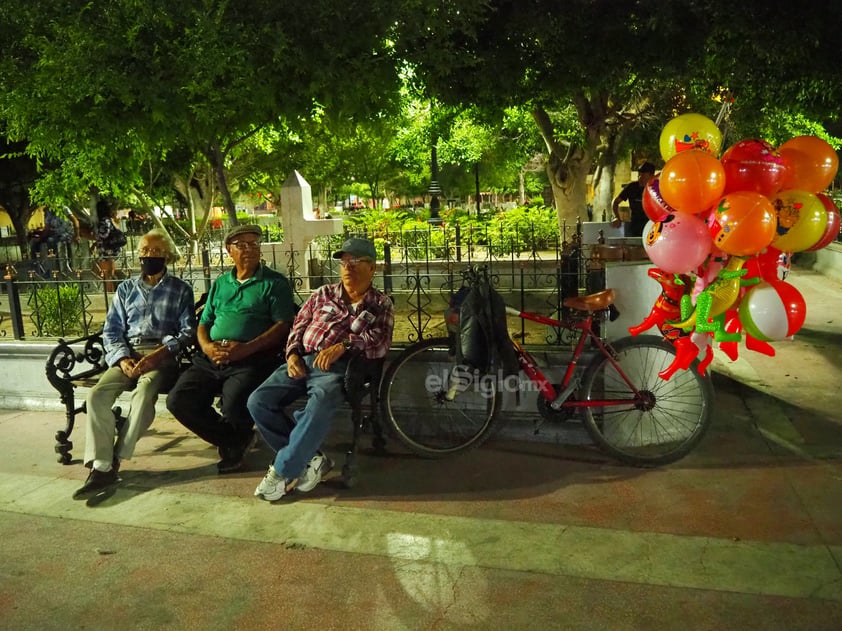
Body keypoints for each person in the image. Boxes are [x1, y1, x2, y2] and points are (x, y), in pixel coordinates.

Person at [248, 237, 394, 501]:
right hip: (303, 360)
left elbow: (381, 342)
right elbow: (298, 327)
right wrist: (292, 354)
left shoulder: (380, 303)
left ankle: (282, 472)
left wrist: (346, 344)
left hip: (340, 368)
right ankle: (312, 459)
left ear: (373, 268)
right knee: (258, 401)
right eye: (344, 261)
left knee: (322, 399)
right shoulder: (323, 294)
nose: (348, 266)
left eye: (356, 261)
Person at [74, 229, 196, 498]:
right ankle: (103, 464)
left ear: (167, 256)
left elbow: (187, 332)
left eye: (154, 252)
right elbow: (111, 330)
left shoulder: (180, 289)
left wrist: (160, 354)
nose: (148, 256)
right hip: (127, 355)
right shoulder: (126, 289)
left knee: (142, 397)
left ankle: (112, 459)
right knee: (96, 396)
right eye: (144, 251)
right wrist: (122, 357)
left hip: (161, 357)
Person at [166, 224, 297, 474]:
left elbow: (283, 326)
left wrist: (246, 349)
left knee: (235, 403)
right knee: (178, 400)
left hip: (252, 358)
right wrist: (206, 347)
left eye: (254, 244)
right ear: (229, 250)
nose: (250, 249)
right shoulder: (221, 283)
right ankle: (234, 439)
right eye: (242, 245)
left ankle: (234, 442)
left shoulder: (274, 283)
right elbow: (203, 322)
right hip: (211, 357)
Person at [611, 161, 657, 237]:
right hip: (635, 225)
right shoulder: (632, 187)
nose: (640, 178)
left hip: (652, 225)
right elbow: (615, 202)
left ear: (651, 176)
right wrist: (617, 217)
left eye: (643, 176)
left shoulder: (656, 188)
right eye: (639, 175)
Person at [93, 199, 126, 291]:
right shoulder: (108, 220)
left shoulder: (104, 221)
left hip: (106, 251)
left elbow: (104, 234)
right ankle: (110, 291)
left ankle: (109, 292)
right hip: (108, 250)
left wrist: (94, 234)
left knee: (106, 275)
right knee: (107, 274)